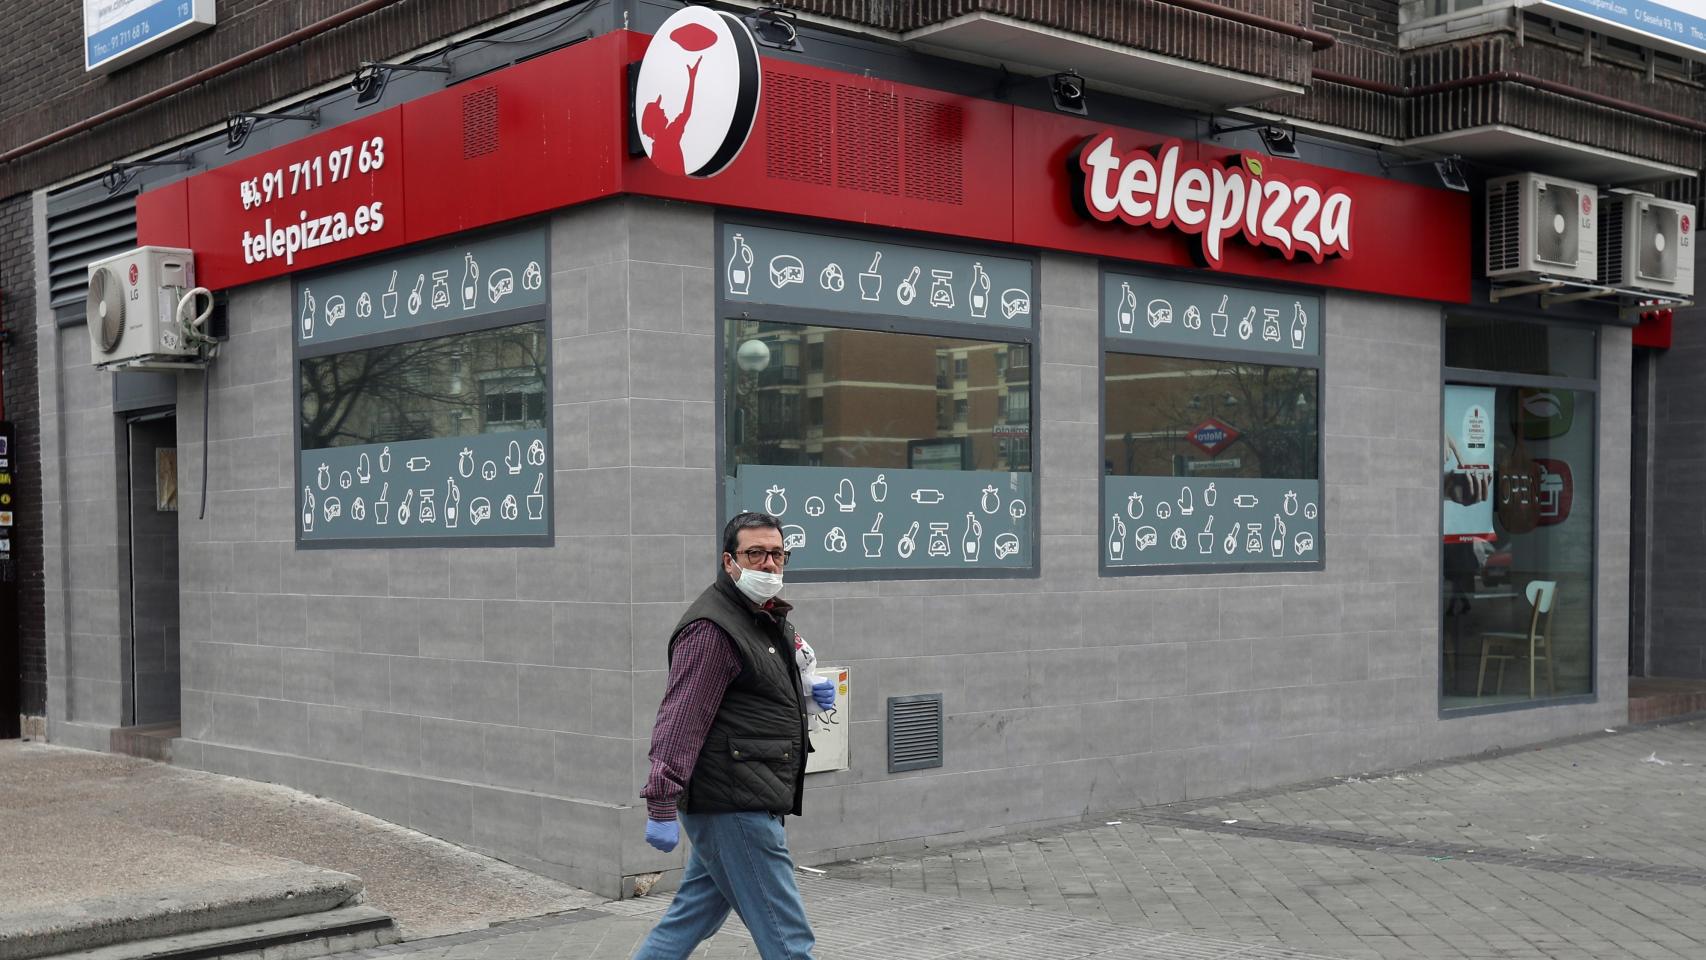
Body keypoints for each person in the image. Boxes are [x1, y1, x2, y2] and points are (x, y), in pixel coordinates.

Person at [631, 511, 836, 960]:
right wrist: (661, 800)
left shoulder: (762, 617)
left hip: (740, 794)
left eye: (776, 554)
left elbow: (754, 698)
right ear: (730, 562)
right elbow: (680, 718)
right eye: (755, 553)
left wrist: (807, 697)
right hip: (733, 803)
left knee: (688, 921)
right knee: (788, 940)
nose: (768, 564)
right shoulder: (713, 629)